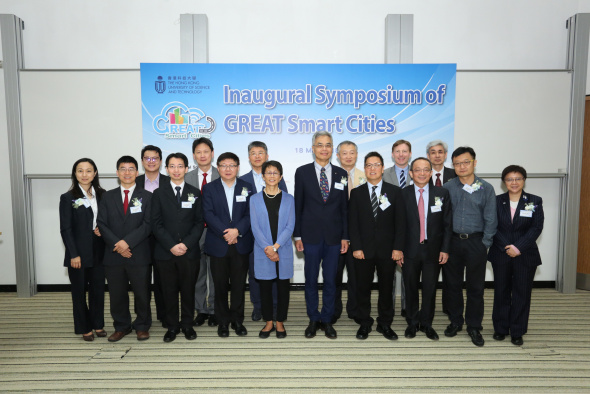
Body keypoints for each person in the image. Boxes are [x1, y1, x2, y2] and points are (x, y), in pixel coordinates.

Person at [294, 131, 349, 339]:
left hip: (335, 238)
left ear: (332, 149)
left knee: (330, 281)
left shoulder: (341, 174)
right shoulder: (302, 172)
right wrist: (297, 236)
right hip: (310, 236)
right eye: (320, 145)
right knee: (310, 280)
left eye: (328, 145)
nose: (324, 148)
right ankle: (313, 318)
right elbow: (298, 205)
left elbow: (344, 208)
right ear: (313, 148)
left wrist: (346, 236)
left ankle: (327, 319)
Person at [443, 147, 497, 347]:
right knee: (452, 285)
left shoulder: (486, 188)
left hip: (476, 242)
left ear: (474, 162)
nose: (461, 166)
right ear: (453, 165)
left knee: (476, 287)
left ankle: (474, 326)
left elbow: (491, 218)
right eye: (457, 163)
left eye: (466, 162)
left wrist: (485, 244)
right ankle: (456, 321)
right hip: (453, 242)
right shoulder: (448, 187)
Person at [349, 152, 405, 340]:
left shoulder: (395, 192)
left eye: (376, 165)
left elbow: (400, 223)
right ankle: (364, 323)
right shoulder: (356, 193)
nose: (372, 168)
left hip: (388, 251)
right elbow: (353, 223)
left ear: (382, 167)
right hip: (363, 251)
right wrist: (356, 247)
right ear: (364, 169)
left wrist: (398, 248)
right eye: (369, 165)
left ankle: (385, 324)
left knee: (386, 289)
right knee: (362, 288)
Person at [97, 156, 153, 342]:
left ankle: (142, 326)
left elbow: (147, 225)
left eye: (131, 169)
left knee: (142, 293)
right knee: (117, 293)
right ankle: (121, 326)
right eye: (123, 169)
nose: (127, 173)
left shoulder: (147, 196)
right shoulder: (107, 196)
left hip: (139, 253)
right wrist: (118, 245)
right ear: (117, 173)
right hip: (113, 255)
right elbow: (102, 224)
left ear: (137, 173)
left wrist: (127, 243)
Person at [488, 165, 544, 346]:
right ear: (504, 182)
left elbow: (536, 227)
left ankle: (517, 331)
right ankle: (500, 328)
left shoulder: (534, 200)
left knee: (522, 293)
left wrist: (518, 247)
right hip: (501, 254)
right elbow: (491, 226)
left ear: (524, 180)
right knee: (501, 292)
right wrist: (507, 247)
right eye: (510, 179)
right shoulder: (496, 201)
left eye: (518, 178)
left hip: (525, 255)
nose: (514, 182)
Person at [151, 153, 204, 342]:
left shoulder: (195, 192)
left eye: (180, 166)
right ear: (166, 169)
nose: (176, 170)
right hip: (165, 252)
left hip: (189, 252)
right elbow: (155, 224)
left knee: (188, 290)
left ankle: (187, 325)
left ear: (186, 169)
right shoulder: (158, 193)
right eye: (172, 166)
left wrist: (185, 244)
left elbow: (199, 223)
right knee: (169, 291)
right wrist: (172, 245)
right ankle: (172, 326)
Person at [399, 157, 452, 341]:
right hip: (409, 251)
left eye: (425, 170)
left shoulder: (442, 193)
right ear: (411, 173)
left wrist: (445, 249)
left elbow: (447, 225)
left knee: (430, 289)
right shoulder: (403, 194)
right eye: (417, 170)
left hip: (433, 251)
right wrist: (398, 249)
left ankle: (427, 324)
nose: (422, 173)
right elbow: (398, 226)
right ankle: (412, 323)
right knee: (411, 287)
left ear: (431, 173)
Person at [202, 152, 254, 337]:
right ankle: (222, 322)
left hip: (240, 243)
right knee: (220, 286)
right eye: (224, 165)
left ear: (238, 167)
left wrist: (237, 231)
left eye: (232, 165)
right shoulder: (209, 188)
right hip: (218, 244)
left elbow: (250, 214)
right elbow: (208, 213)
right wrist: (227, 233)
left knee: (239, 286)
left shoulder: (247, 187)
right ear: (218, 167)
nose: (228, 169)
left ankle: (237, 321)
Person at [59, 158, 107, 341]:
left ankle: (97, 324)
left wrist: (103, 229)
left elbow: (108, 219)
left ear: (95, 173)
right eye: (80, 171)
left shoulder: (103, 194)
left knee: (98, 290)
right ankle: (84, 327)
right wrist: (74, 253)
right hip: (78, 253)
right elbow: (66, 229)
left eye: (89, 171)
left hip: (99, 250)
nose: (85, 174)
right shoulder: (68, 197)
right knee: (79, 292)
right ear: (75, 173)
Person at [240, 141, 288, 322]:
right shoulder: (242, 180)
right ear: (249, 157)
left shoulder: (278, 179)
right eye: (253, 153)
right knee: (254, 274)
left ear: (267, 156)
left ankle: (275, 306)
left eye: (261, 152)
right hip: (251, 236)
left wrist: (274, 244)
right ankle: (258, 306)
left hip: (275, 238)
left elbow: (285, 207)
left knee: (275, 273)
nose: (257, 156)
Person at [249, 160, 295, 339]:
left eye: (275, 173)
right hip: (262, 250)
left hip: (282, 249)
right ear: (263, 176)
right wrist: (268, 248)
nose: (272, 176)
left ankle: (280, 322)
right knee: (265, 288)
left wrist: (276, 247)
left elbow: (290, 226)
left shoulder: (289, 199)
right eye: (268, 172)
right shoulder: (254, 199)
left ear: (281, 176)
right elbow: (255, 227)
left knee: (283, 288)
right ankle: (269, 322)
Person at [185, 138, 219, 327]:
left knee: (215, 274)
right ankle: (201, 309)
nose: (203, 155)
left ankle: (214, 309)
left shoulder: (222, 174)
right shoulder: (187, 177)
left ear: (212, 153)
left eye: (206, 151)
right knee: (197, 274)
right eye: (198, 152)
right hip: (194, 234)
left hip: (215, 233)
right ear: (194, 155)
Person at [136, 145, 170, 327]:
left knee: (162, 279)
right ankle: (143, 318)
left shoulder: (168, 181)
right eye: (147, 158)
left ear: (160, 161)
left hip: (161, 239)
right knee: (140, 281)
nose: (151, 161)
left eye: (155, 158)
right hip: (139, 239)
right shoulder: (133, 181)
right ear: (142, 161)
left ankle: (164, 315)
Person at [333, 141, 365, 324]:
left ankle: (354, 309)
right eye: (344, 153)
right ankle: (335, 310)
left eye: (351, 152)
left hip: (358, 236)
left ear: (357, 154)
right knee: (334, 275)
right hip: (336, 235)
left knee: (356, 276)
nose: (348, 156)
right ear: (338, 156)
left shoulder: (365, 176)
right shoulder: (331, 176)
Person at [426, 140, 456, 317]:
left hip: (452, 232)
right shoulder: (421, 174)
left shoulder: (456, 174)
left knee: (451, 277)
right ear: (428, 155)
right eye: (432, 152)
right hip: (428, 235)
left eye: (440, 152)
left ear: (445, 155)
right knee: (430, 278)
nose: (436, 155)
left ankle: (449, 309)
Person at [383, 139, 412, 318]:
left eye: (405, 151)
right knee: (389, 273)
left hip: (413, 229)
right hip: (389, 229)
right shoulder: (383, 174)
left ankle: (407, 307)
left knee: (409, 270)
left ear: (410, 154)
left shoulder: (419, 173)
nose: (401, 154)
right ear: (392, 154)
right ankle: (389, 308)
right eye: (398, 151)